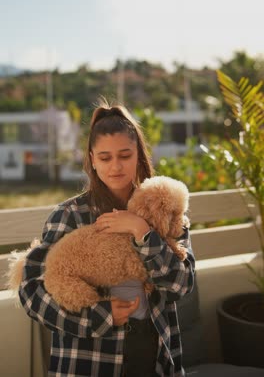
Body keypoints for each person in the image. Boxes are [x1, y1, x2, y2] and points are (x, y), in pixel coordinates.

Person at [19, 100, 195, 377]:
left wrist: (143, 232)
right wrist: (101, 316)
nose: (116, 166)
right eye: (105, 157)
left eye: (125, 155)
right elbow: (31, 292)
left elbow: (181, 286)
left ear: (139, 154)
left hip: (155, 354)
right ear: (91, 159)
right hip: (89, 360)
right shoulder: (69, 215)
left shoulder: (164, 204)